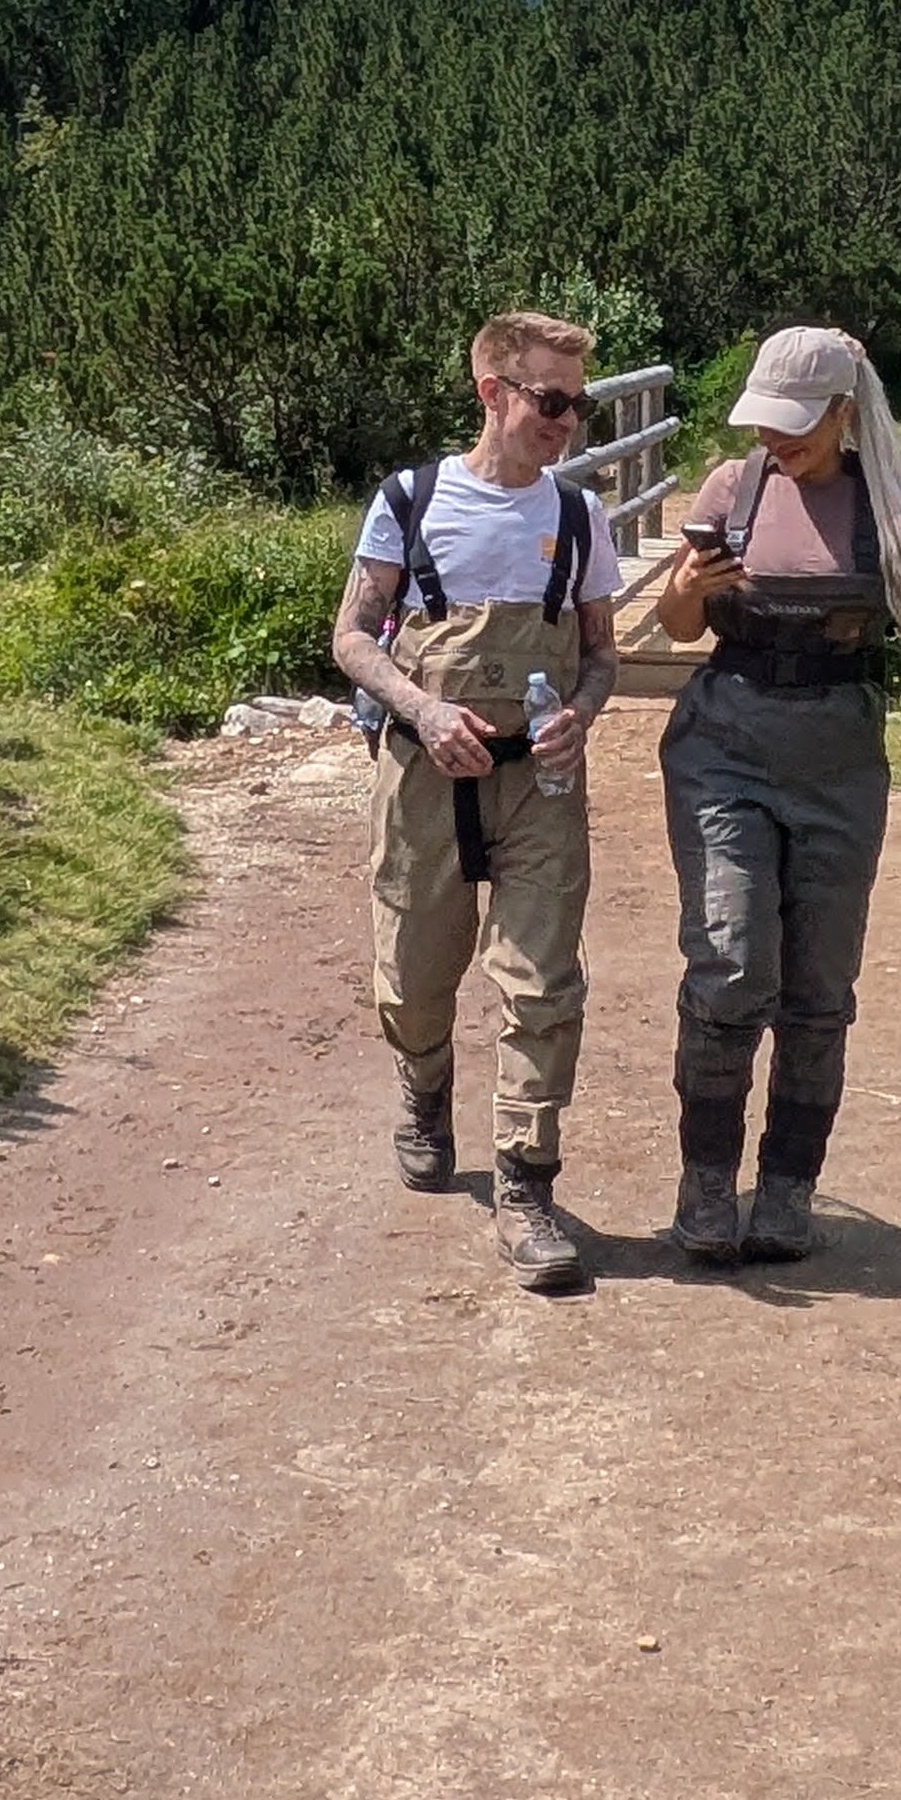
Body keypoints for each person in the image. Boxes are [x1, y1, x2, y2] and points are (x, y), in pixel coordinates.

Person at [650, 326, 901, 1266]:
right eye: (765, 422)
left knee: (819, 989)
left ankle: (787, 1190)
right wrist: (689, 584)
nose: (776, 440)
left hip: (839, 759)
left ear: (843, 413)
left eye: (796, 425)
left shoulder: (885, 508)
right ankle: (706, 1184)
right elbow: (678, 627)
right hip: (724, 746)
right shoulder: (733, 489)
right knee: (732, 966)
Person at [332, 310, 622, 1293]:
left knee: (542, 984)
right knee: (413, 976)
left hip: (540, 783)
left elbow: (602, 652)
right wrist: (419, 705)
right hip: (424, 775)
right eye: (551, 399)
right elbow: (352, 636)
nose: (567, 420)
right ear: (493, 392)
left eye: (579, 404)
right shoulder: (410, 501)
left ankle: (525, 1187)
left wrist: (582, 712)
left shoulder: (578, 517)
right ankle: (423, 1085)